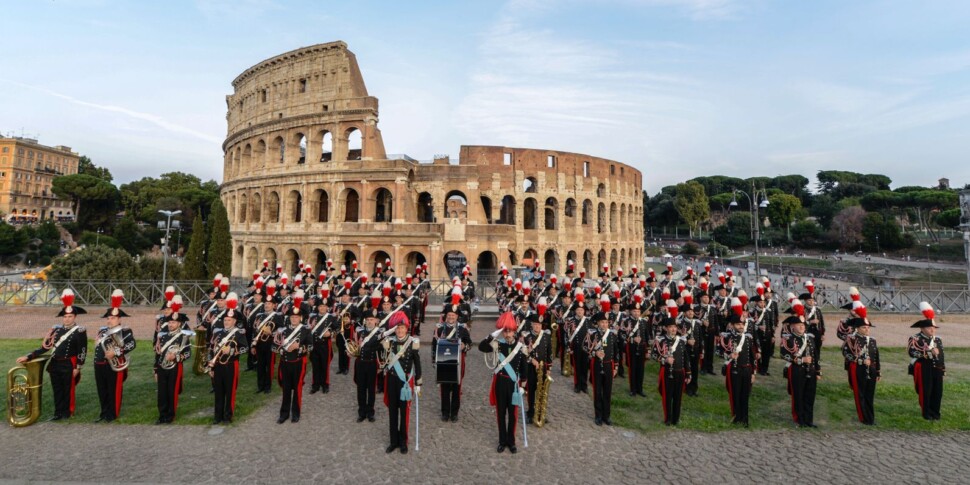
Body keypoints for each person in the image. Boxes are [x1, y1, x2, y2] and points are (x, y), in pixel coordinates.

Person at [17, 289, 87, 421]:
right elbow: (44, 348)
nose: (67, 319)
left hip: (68, 364)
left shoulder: (80, 331)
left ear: (75, 317)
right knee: (57, 389)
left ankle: (67, 413)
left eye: (70, 316)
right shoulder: (56, 330)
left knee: (68, 390)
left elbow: (82, 350)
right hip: (55, 364)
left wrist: (78, 367)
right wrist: (28, 356)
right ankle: (58, 413)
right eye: (65, 317)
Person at [480, 313, 527, 453]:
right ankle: (502, 440)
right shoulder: (497, 344)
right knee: (500, 414)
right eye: (505, 331)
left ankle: (511, 441)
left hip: (513, 385)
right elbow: (482, 347)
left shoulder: (521, 348)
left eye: (510, 331)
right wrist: (492, 335)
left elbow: (524, 369)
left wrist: (523, 386)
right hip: (500, 383)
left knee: (513, 414)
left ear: (514, 332)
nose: (507, 334)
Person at [93, 290, 136, 422]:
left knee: (114, 390)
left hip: (114, 366)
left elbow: (132, 344)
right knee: (102, 391)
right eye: (108, 318)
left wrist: (116, 352)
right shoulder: (102, 330)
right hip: (99, 364)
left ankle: (113, 414)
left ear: (119, 319)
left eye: (113, 318)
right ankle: (104, 413)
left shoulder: (125, 331)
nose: (109, 320)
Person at [383, 312, 422, 454]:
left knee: (404, 411)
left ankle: (403, 442)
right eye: (397, 328)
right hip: (392, 380)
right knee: (392, 411)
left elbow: (417, 363)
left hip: (405, 382)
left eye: (402, 328)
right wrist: (387, 333)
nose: (400, 331)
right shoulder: (390, 341)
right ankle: (393, 441)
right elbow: (380, 348)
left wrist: (418, 382)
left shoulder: (412, 342)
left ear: (407, 328)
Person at [208, 302, 248, 424]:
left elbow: (245, 348)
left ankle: (227, 416)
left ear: (234, 321)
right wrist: (211, 366)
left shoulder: (239, 333)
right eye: (225, 320)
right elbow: (212, 349)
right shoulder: (218, 333)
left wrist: (231, 350)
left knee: (230, 391)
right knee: (218, 391)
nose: (226, 322)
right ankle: (217, 416)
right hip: (218, 365)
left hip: (231, 365)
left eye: (229, 320)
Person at [719, 310, 759, 427]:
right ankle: (736, 416)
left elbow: (753, 357)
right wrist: (729, 355)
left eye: (742, 324)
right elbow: (719, 351)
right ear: (732, 325)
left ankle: (745, 418)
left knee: (745, 394)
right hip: (734, 369)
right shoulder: (726, 337)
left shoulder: (748, 337)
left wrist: (753, 373)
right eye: (738, 324)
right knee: (735, 393)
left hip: (747, 369)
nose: (741, 326)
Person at [433, 307, 472, 422]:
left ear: (457, 317)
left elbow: (469, 343)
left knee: (456, 388)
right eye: (449, 315)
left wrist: (464, 346)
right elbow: (434, 345)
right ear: (446, 316)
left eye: (453, 315)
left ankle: (454, 413)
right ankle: (445, 413)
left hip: (458, 363)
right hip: (443, 362)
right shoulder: (439, 329)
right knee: (444, 388)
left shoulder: (463, 329)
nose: (451, 317)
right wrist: (434, 361)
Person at [909, 302, 945, 421]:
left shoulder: (938, 339)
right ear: (922, 328)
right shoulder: (915, 339)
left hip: (937, 369)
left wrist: (943, 368)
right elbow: (912, 352)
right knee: (926, 391)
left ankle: (936, 412)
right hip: (924, 368)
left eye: (933, 328)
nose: (932, 330)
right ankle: (927, 413)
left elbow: (941, 355)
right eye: (929, 328)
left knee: (937, 392)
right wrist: (930, 353)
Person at [274, 307, 311, 423]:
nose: (294, 319)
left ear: (300, 318)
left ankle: (296, 413)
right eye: (292, 317)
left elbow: (311, 346)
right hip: (285, 363)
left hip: (298, 363)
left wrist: (298, 347)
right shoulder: (282, 330)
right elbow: (273, 346)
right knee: (286, 389)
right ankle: (284, 414)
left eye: (296, 317)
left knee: (297, 388)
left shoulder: (306, 330)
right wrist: (281, 350)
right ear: (289, 318)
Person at [780, 313, 817, 428]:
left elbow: (815, 355)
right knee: (798, 395)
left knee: (810, 395)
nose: (802, 327)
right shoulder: (788, 338)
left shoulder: (809, 338)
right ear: (792, 327)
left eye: (803, 325)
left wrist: (818, 370)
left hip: (810, 370)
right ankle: (799, 419)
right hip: (797, 370)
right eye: (799, 325)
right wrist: (801, 360)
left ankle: (808, 420)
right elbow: (783, 355)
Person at [841, 317, 880, 425]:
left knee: (870, 395)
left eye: (868, 327)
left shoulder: (872, 340)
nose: (867, 330)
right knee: (860, 394)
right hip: (858, 369)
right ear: (857, 328)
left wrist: (877, 372)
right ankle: (864, 418)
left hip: (871, 370)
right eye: (864, 327)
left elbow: (876, 357)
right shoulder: (851, 339)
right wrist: (861, 360)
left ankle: (871, 417)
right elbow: (846, 353)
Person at [154, 311, 191, 424]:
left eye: (173, 322)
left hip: (174, 367)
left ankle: (170, 415)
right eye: (169, 322)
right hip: (162, 367)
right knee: (162, 393)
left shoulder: (183, 336)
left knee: (171, 391)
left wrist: (176, 357)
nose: (170, 324)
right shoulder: (163, 335)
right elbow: (158, 354)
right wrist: (156, 369)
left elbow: (188, 353)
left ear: (179, 324)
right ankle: (162, 415)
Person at [653, 316, 689, 425]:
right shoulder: (660, 340)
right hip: (667, 372)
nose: (673, 329)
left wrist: (688, 373)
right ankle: (668, 418)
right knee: (667, 396)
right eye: (670, 327)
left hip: (680, 372)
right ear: (665, 328)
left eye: (674, 327)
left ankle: (676, 419)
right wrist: (665, 359)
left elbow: (685, 358)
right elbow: (654, 355)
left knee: (678, 397)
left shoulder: (681, 341)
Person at [589, 311, 618, 426]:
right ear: (598, 323)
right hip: (596, 365)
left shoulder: (612, 335)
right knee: (597, 391)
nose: (604, 324)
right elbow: (585, 347)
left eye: (606, 322)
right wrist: (595, 353)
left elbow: (616, 352)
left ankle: (607, 416)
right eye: (602, 322)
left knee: (607, 391)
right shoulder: (592, 333)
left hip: (608, 365)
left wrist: (616, 366)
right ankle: (598, 415)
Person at [354, 308, 383, 423]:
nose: (370, 321)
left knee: (371, 389)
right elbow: (355, 347)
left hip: (372, 364)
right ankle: (361, 412)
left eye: (372, 319)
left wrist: (381, 365)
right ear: (365, 321)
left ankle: (370, 412)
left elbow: (382, 351)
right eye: (368, 320)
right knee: (360, 389)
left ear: (376, 321)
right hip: (360, 363)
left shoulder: (379, 333)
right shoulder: (360, 332)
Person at [523, 313, 552, 425]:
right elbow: (524, 353)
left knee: (542, 391)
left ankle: (540, 413)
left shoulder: (546, 337)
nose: (537, 327)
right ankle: (530, 413)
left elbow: (549, 353)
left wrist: (549, 368)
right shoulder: (526, 337)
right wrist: (532, 360)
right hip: (530, 368)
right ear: (532, 325)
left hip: (543, 368)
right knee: (531, 391)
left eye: (539, 325)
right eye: (535, 325)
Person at [250, 293, 282, 393]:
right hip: (259, 344)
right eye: (266, 303)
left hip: (270, 344)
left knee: (269, 366)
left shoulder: (277, 316)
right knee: (260, 365)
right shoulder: (259, 315)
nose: (267, 305)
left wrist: (271, 333)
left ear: (274, 305)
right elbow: (255, 331)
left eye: (269, 303)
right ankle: (260, 386)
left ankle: (268, 386)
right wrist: (253, 345)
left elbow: (281, 331)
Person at [307, 298, 338, 394]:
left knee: (325, 365)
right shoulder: (312, 317)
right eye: (320, 306)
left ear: (327, 307)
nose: (322, 308)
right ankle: (315, 385)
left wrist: (331, 334)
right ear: (318, 307)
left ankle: (325, 385)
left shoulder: (331, 318)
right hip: (314, 344)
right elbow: (308, 330)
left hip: (325, 345)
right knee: (315, 365)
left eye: (324, 306)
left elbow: (337, 329)